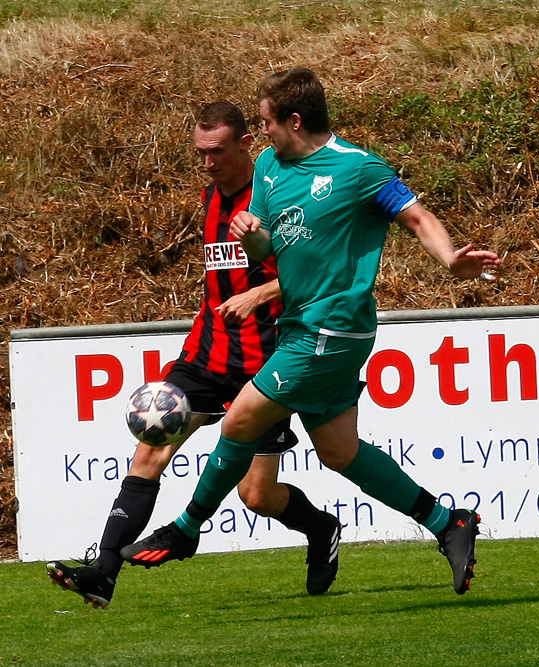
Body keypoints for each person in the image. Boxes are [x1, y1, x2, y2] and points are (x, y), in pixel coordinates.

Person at [122, 68, 501, 596]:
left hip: (333, 328)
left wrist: (450, 259)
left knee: (239, 424)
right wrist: (252, 235)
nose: (263, 134)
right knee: (340, 453)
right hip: (298, 325)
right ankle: (446, 522)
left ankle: (185, 530)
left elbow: (416, 217)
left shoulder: (357, 168)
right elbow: (266, 251)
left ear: (294, 120)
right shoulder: (269, 167)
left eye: (266, 123)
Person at [46, 101, 341, 609]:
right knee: (150, 449)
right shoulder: (210, 199)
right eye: (201, 152)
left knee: (257, 496)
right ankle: (104, 573)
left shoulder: (276, 200)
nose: (208, 162)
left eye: (218, 151)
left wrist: (259, 295)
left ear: (247, 144)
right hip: (204, 359)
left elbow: (312, 278)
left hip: (265, 365)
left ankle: (320, 527)